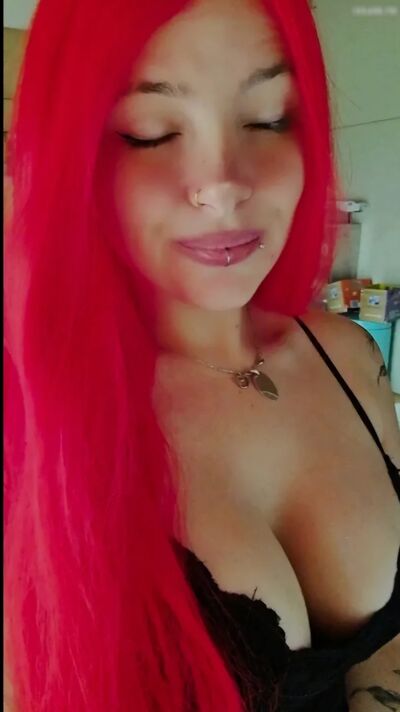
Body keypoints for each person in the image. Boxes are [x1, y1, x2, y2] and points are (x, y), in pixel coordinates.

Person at [4, 0, 400, 710]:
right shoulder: (30, 424)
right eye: (150, 132)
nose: (223, 185)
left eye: (268, 118)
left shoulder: (349, 356)